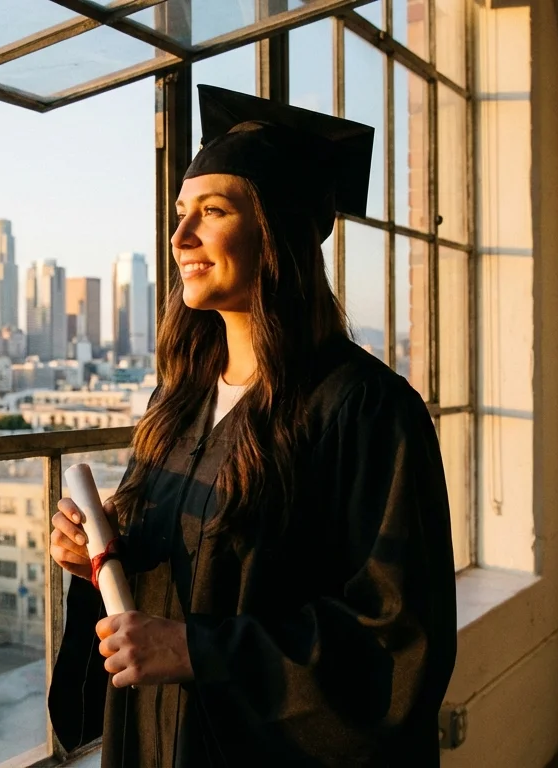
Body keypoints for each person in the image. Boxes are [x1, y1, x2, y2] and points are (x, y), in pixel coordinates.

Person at [47, 85, 457, 767]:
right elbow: (176, 577)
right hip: (156, 741)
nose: (180, 238)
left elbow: (398, 637)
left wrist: (196, 649)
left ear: (277, 232)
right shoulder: (178, 402)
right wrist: (101, 557)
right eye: (180, 214)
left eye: (212, 212)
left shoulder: (365, 409)